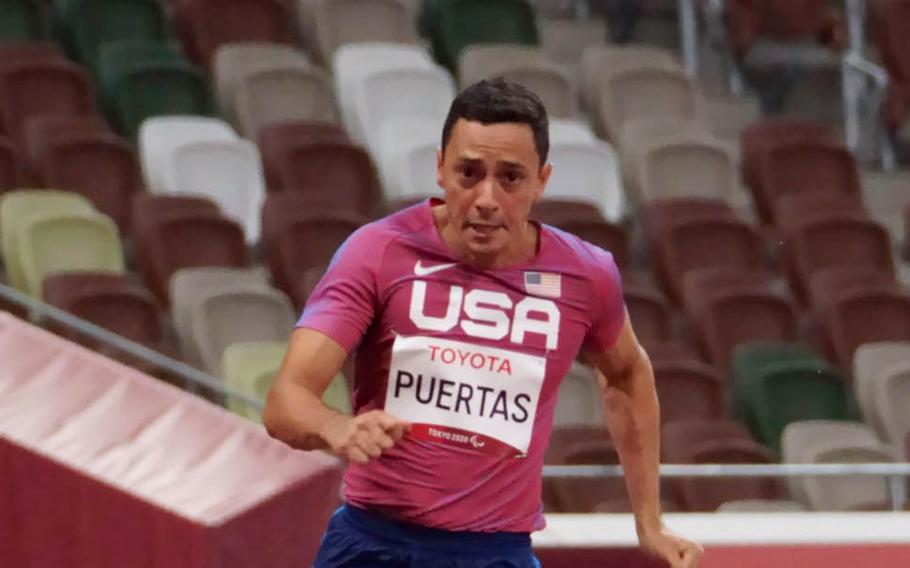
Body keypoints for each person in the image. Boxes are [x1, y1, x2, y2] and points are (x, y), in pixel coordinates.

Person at [263, 78, 703, 568]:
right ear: (439, 168)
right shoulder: (377, 252)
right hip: (374, 544)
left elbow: (627, 374)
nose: (487, 198)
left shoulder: (586, 274)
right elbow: (285, 403)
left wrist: (649, 519)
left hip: (496, 553)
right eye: (468, 173)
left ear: (542, 181)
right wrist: (336, 427)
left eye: (510, 178)